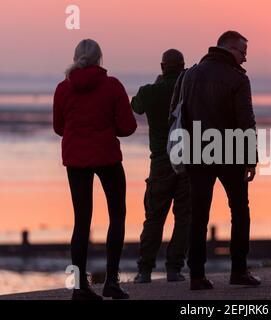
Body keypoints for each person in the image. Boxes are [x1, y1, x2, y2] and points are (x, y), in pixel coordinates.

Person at [173, 31, 261, 290]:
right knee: (239, 210)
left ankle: (196, 276)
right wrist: (250, 158)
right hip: (230, 152)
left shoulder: (189, 74)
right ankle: (239, 271)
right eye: (242, 52)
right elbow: (246, 122)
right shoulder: (237, 79)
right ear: (230, 48)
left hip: (196, 151)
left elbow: (178, 113)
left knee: (198, 214)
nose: (245, 59)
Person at [53, 39, 137, 300]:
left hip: (76, 160)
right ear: (99, 59)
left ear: (76, 57)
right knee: (117, 215)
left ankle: (80, 288)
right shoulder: (112, 86)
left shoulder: (63, 89)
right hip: (107, 158)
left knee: (81, 221)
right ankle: (111, 282)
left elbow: (59, 128)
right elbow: (128, 127)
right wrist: (108, 127)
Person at [131, 49, 191, 283]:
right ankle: (174, 269)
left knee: (154, 217)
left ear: (162, 66)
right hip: (186, 162)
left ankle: (144, 270)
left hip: (159, 163)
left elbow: (135, 106)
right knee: (184, 218)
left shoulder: (149, 92)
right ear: (183, 66)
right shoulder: (190, 91)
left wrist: (157, 85)